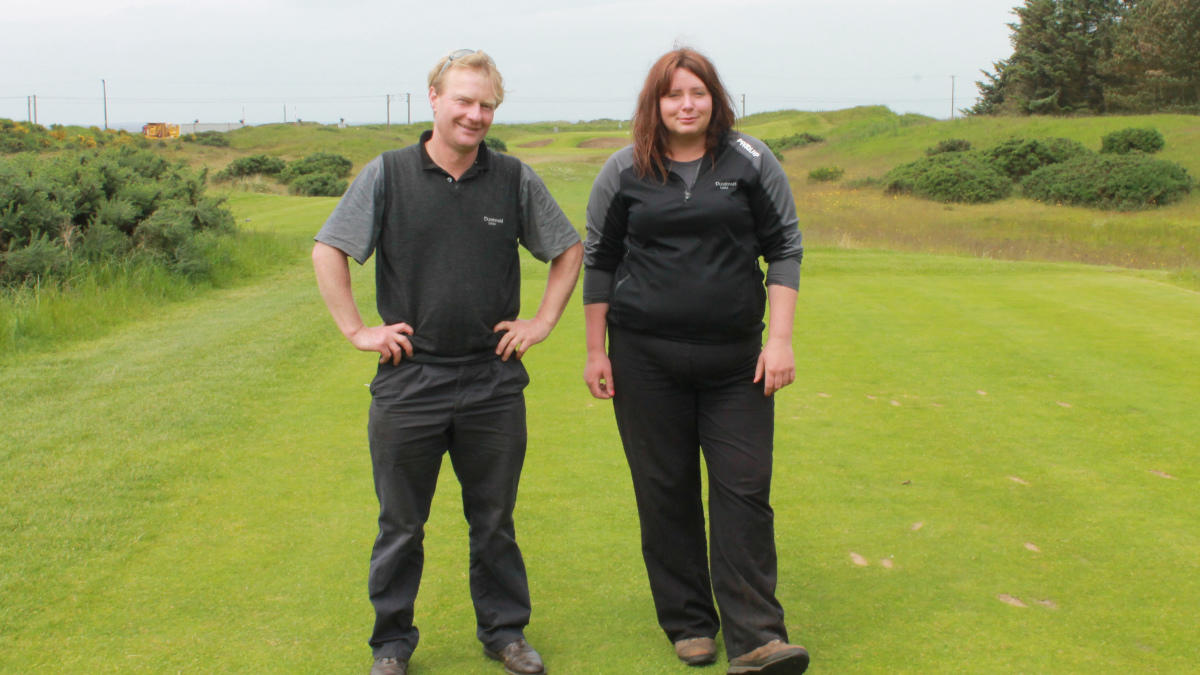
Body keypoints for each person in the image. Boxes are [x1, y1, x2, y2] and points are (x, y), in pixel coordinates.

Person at [313, 49, 583, 675]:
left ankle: (505, 633)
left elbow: (568, 250)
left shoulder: (513, 178)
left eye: (487, 104)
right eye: (463, 100)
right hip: (411, 380)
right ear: (432, 97)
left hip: (492, 380)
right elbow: (330, 248)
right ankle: (390, 645)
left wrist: (542, 322)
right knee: (401, 525)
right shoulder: (388, 174)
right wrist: (356, 329)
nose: (475, 114)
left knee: (493, 520)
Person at [582, 48, 809, 675]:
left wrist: (780, 340)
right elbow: (599, 260)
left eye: (698, 93)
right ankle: (688, 622)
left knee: (743, 490)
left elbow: (784, 247)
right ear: (654, 103)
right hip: (644, 360)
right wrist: (596, 350)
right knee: (665, 491)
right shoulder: (625, 169)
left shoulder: (752, 160)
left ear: (716, 99)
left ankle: (758, 636)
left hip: (738, 362)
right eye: (673, 94)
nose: (687, 104)